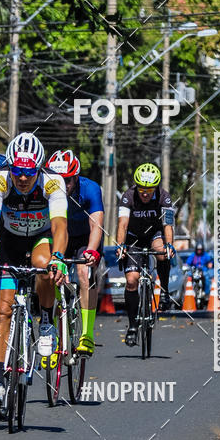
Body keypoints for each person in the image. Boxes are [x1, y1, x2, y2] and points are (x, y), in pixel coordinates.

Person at [0, 132, 68, 413]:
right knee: (3, 311)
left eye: (29, 172)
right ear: (11, 168)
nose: (22, 178)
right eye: (18, 171)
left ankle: (46, 319)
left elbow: (59, 226)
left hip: (40, 238)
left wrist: (58, 258)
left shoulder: (53, 182)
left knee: (44, 263)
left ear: (39, 168)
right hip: (10, 240)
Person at [45, 149, 104, 356]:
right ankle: (54, 335)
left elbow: (96, 225)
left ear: (76, 178)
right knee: (51, 274)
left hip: (85, 238)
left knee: (84, 273)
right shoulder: (47, 188)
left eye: (67, 180)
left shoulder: (91, 189)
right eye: (58, 179)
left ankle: (87, 334)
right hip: (60, 236)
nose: (63, 185)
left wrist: (91, 251)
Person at [115, 163, 176, 347]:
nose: (144, 193)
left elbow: (167, 224)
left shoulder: (164, 197)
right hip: (133, 238)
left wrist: (170, 245)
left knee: (162, 254)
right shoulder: (128, 197)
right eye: (141, 188)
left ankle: (164, 292)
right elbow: (123, 224)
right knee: (132, 280)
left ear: (155, 187)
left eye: (149, 189)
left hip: (154, 235)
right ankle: (133, 326)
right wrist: (120, 245)